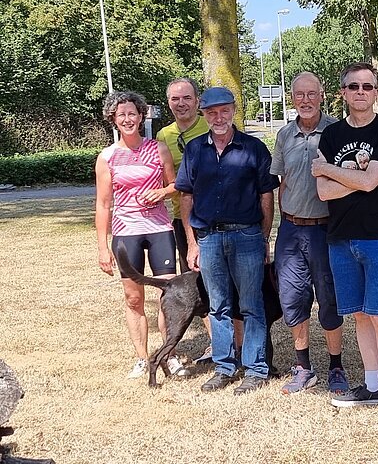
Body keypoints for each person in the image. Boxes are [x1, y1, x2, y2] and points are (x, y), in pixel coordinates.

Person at [311, 62, 378, 421]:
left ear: (376, 91)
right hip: (340, 237)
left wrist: (336, 172)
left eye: (368, 86)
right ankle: (370, 385)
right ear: (343, 92)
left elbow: (369, 183)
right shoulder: (331, 135)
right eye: (354, 86)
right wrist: (363, 174)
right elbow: (323, 191)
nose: (361, 92)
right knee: (360, 315)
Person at [175, 86, 279, 395]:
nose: (218, 117)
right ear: (203, 115)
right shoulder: (194, 150)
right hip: (208, 239)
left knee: (251, 304)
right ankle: (224, 367)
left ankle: (256, 369)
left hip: (247, 236)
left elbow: (266, 196)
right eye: (211, 112)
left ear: (233, 111)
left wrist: (263, 237)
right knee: (217, 306)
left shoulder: (254, 148)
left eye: (224, 111)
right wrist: (192, 244)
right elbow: (186, 197)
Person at [95, 90, 188, 379]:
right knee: (133, 299)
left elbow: (176, 185)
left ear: (141, 115)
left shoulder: (158, 148)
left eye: (132, 114)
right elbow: (103, 203)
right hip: (126, 233)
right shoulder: (107, 157)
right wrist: (102, 246)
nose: (127, 119)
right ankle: (141, 357)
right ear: (113, 119)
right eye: (121, 115)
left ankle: (168, 354)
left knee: (168, 295)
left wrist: (160, 191)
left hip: (160, 230)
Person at [270, 71, 349, 395]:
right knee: (293, 299)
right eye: (299, 94)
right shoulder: (284, 135)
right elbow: (281, 183)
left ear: (322, 96)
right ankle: (303, 367)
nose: (305, 100)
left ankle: (336, 366)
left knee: (329, 300)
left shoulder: (335, 132)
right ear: (292, 98)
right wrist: (284, 222)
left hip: (325, 231)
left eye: (311, 94)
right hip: (291, 230)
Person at [156, 77, 213, 364]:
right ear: (169, 103)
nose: (181, 104)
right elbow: (173, 181)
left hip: (214, 218)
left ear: (197, 100)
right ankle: (201, 346)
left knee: (217, 282)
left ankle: (220, 344)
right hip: (184, 219)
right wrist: (163, 192)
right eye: (175, 99)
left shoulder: (210, 125)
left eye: (186, 98)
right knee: (194, 280)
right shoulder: (164, 136)